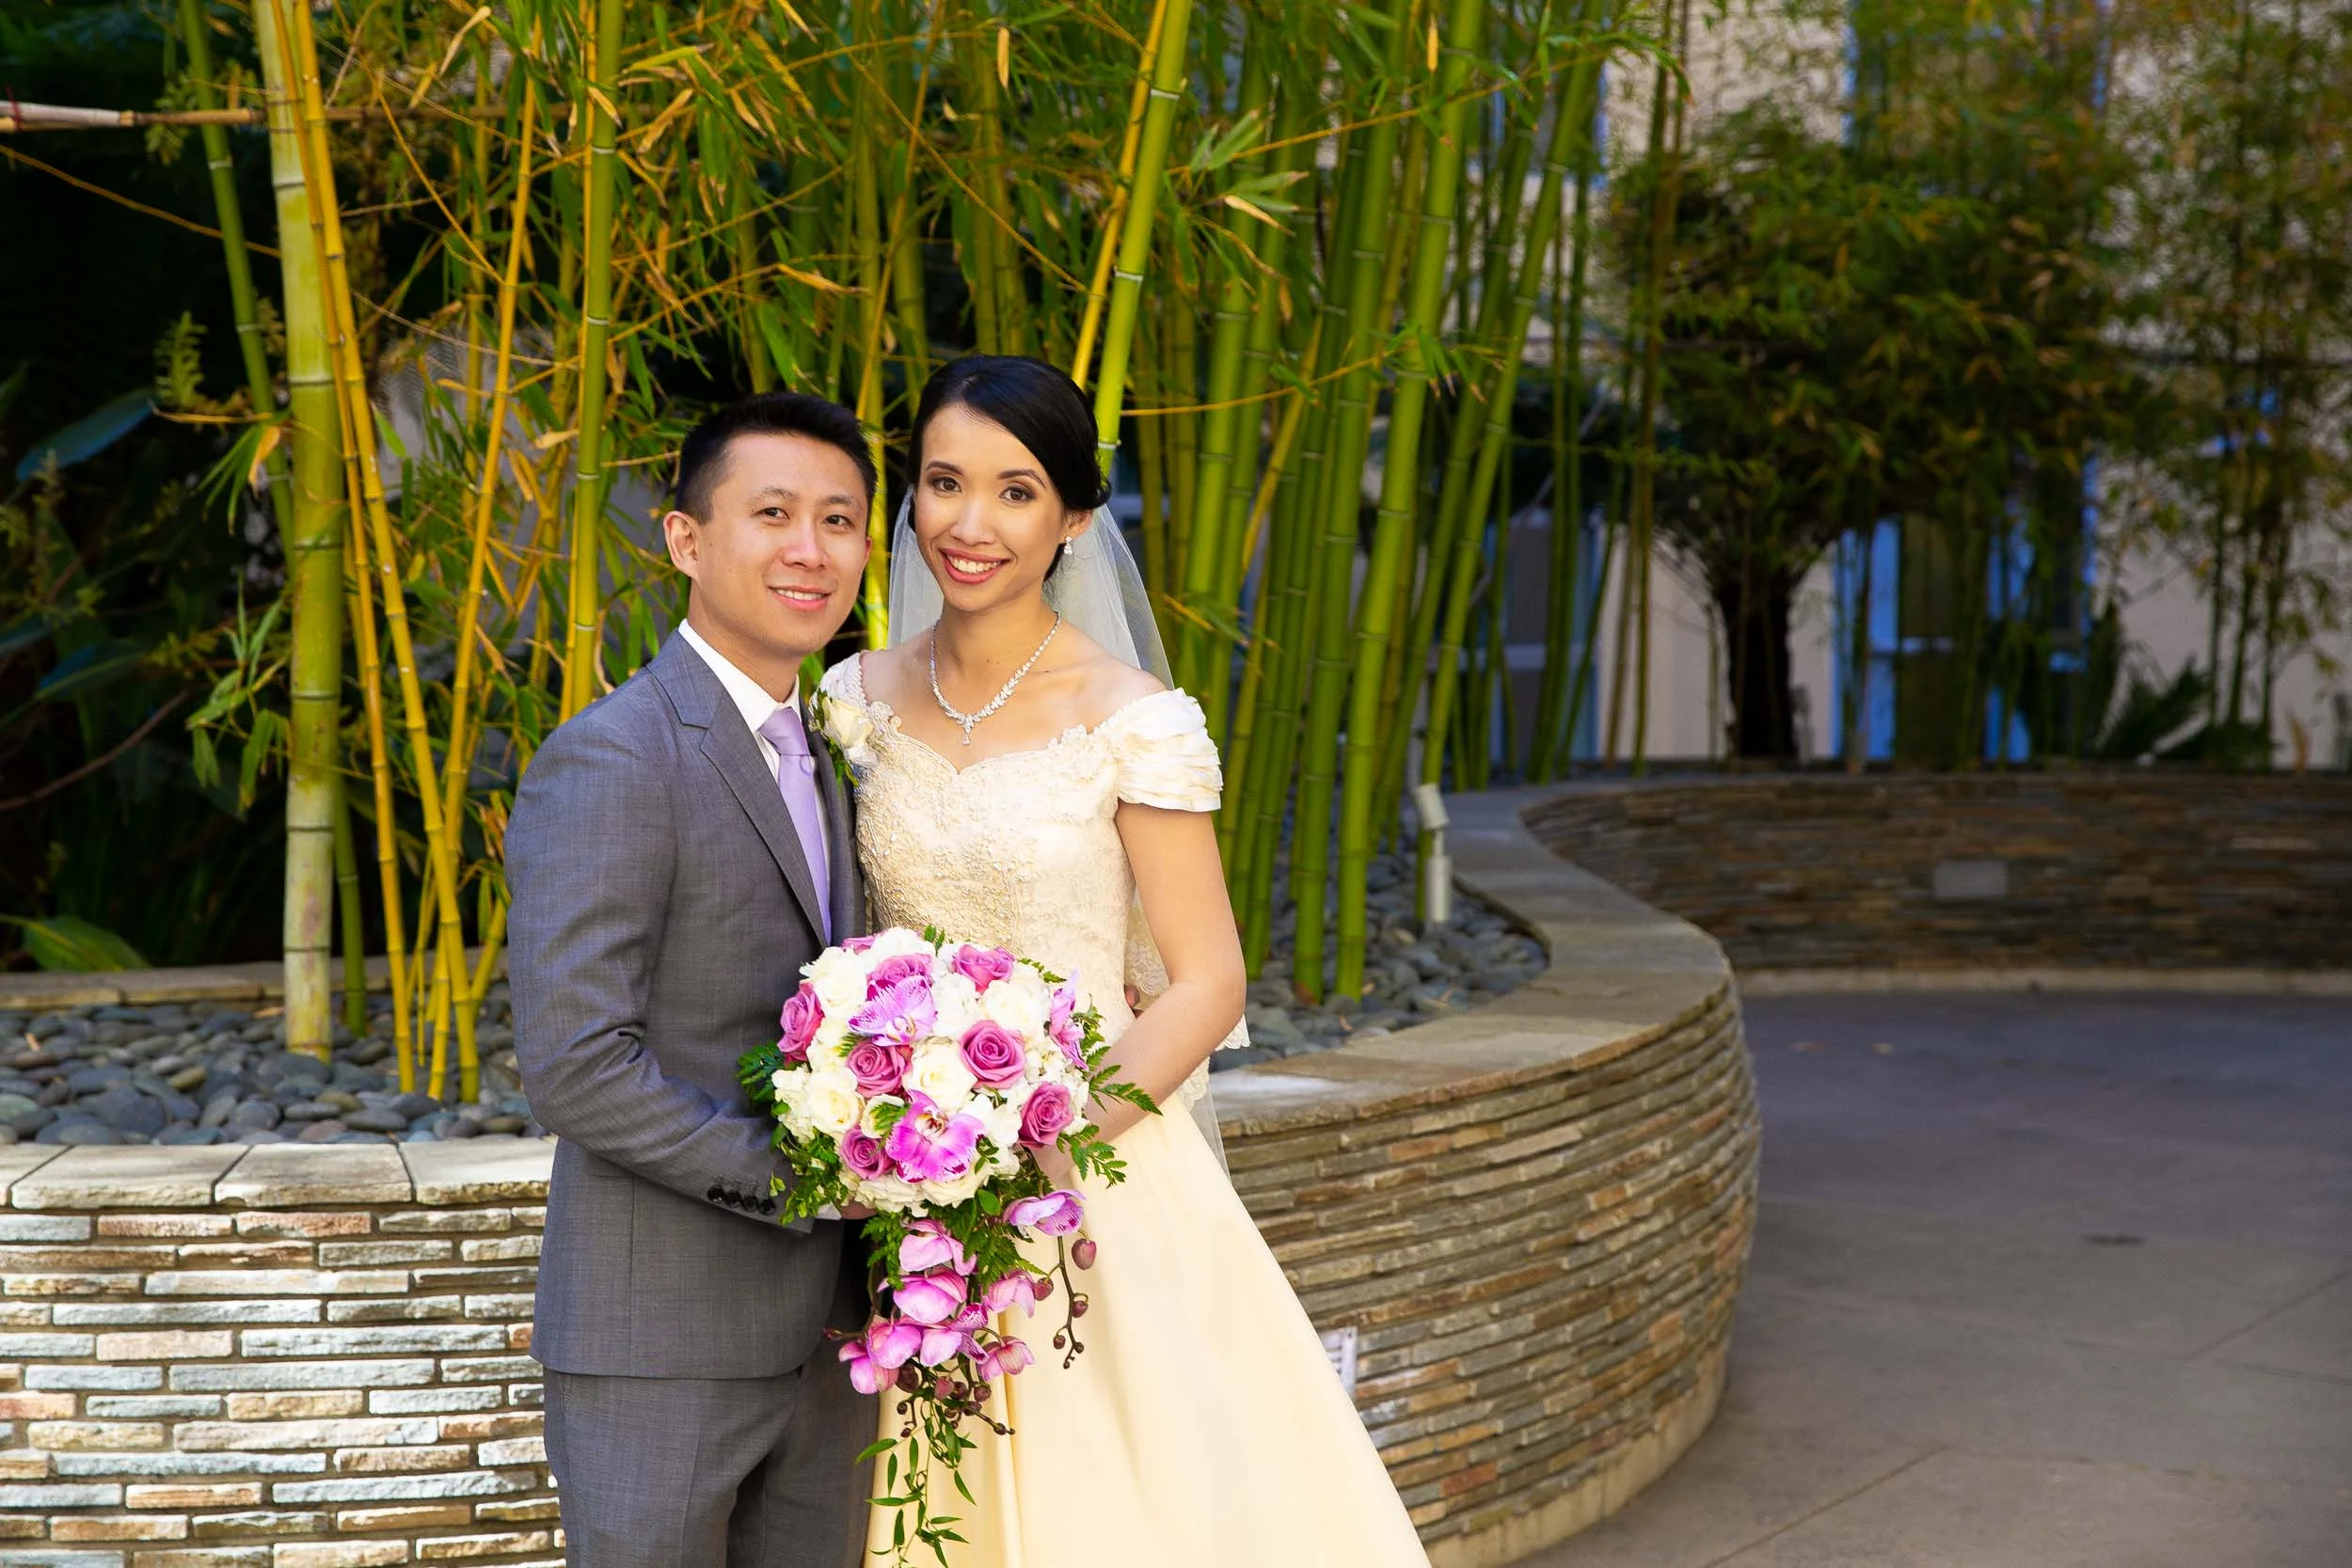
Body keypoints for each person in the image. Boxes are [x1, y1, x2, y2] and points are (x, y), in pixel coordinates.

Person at [818, 355, 1432, 1567]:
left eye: (1015, 491)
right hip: (912, 1183)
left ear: (1072, 519)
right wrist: (895, 1125)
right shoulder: (854, 700)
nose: (971, 523)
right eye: (944, 482)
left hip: (1091, 1170)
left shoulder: (1130, 715)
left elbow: (1207, 982)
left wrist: (1033, 1137)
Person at [506, 391, 877, 1568]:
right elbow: (575, 1064)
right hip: (658, 1340)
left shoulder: (837, 753)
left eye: (839, 520)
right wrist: (808, 1179)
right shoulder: (614, 754)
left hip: (834, 1340)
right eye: (772, 513)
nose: (810, 549)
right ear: (684, 538)